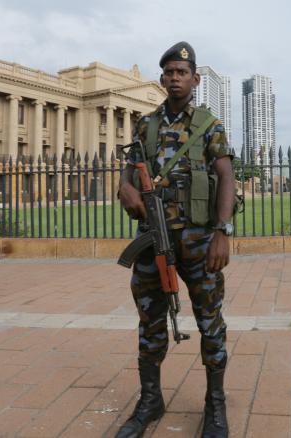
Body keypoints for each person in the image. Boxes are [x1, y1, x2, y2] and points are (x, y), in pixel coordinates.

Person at [117, 41, 234, 438]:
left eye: (182, 72)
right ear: (162, 78)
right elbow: (131, 168)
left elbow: (226, 177)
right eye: (168, 72)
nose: (174, 78)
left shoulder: (208, 125)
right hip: (152, 239)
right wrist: (125, 188)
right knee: (149, 320)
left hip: (200, 239)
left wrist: (222, 232)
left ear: (195, 79)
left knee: (209, 321)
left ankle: (214, 405)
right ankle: (151, 399)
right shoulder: (145, 124)